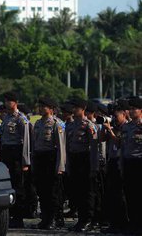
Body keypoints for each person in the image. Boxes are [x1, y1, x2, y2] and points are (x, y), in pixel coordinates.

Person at [31, 97, 66, 230]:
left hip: (51, 159)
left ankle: (53, 219)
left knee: (53, 193)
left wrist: (60, 166)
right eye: (40, 106)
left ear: (51, 109)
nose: (40, 108)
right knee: (42, 191)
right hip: (40, 159)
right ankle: (44, 219)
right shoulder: (38, 123)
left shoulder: (56, 124)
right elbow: (35, 145)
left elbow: (61, 147)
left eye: (43, 106)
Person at [65, 98, 99, 232]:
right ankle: (80, 220)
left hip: (85, 160)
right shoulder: (72, 125)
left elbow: (94, 148)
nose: (73, 110)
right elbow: (68, 146)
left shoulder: (89, 125)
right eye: (72, 108)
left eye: (76, 108)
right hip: (74, 159)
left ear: (83, 109)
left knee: (87, 193)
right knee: (77, 192)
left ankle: (88, 220)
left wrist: (94, 167)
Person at [0, 91, 31, 228]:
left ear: (15, 102)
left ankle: (18, 217)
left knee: (18, 186)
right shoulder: (6, 118)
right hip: (6, 152)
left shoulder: (21, 119)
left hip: (16, 154)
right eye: (5, 101)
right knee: (8, 185)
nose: (6, 104)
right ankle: (10, 215)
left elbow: (26, 141)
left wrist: (25, 161)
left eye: (9, 101)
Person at [100, 102, 129, 233]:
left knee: (120, 195)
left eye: (116, 116)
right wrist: (104, 127)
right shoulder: (114, 126)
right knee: (111, 194)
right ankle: (114, 223)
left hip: (121, 162)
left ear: (124, 114)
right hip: (112, 161)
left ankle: (122, 223)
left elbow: (118, 142)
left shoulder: (126, 127)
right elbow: (101, 139)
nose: (114, 118)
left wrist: (111, 130)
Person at [120, 98, 142, 234]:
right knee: (130, 196)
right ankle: (133, 224)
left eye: (135, 108)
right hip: (128, 163)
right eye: (130, 108)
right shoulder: (126, 127)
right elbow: (123, 147)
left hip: (140, 163)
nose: (132, 111)